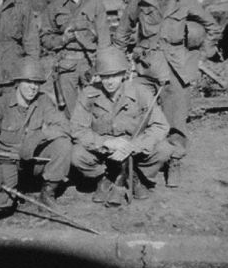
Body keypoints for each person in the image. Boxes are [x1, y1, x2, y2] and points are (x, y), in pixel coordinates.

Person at [114, 0, 219, 187]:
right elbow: (123, 29)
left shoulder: (185, 1)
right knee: (137, 115)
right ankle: (137, 164)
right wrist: (118, 62)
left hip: (176, 69)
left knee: (176, 121)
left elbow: (212, 26)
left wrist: (201, 53)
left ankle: (174, 161)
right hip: (146, 66)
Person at [71, 47, 173, 207]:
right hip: (103, 152)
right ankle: (104, 178)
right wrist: (106, 142)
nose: (110, 81)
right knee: (76, 154)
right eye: (105, 76)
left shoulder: (141, 92)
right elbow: (78, 129)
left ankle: (134, 175)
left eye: (115, 75)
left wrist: (134, 146)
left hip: (134, 150)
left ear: (124, 74)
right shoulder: (89, 94)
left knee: (164, 149)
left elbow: (160, 125)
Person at [0, 57, 72, 217]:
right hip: (7, 162)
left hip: (33, 160)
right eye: (28, 81)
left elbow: (64, 126)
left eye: (37, 83)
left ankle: (47, 194)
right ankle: (12, 191)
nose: (33, 87)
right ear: (17, 82)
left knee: (63, 145)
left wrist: (38, 137)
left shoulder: (43, 100)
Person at [40, 0, 111, 119]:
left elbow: (105, 38)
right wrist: (62, 39)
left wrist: (102, 67)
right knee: (70, 114)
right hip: (66, 66)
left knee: (96, 108)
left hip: (91, 63)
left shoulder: (95, 3)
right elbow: (44, 38)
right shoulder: (54, 7)